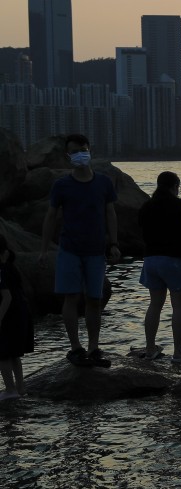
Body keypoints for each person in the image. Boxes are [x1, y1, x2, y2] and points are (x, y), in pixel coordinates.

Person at [40, 134, 119, 368]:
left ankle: (94, 347)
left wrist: (114, 243)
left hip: (95, 250)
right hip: (69, 249)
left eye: (82, 149)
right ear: (68, 156)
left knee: (94, 299)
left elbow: (111, 213)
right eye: (74, 152)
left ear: (90, 150)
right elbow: (51, 216)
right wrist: (43, 249)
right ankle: (75, 348)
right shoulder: (62, 185)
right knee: (71, 297)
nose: (79, 154)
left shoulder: (103, 182)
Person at [138, 171, 181, 363]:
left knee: (155, 305)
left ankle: (150, 349)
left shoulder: (146, 206)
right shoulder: (179, 204)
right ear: (175, 186)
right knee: (179, 307)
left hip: (151, 259)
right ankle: (179, 352)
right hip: (175, 259)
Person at [0, 235, 33, 400]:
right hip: (21, 314)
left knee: (3, 354)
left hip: (8, 316)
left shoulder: (0, 269)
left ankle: (10, 389)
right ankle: (20, 388)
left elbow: (6, 297)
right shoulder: (10, 267)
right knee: (14, 354)